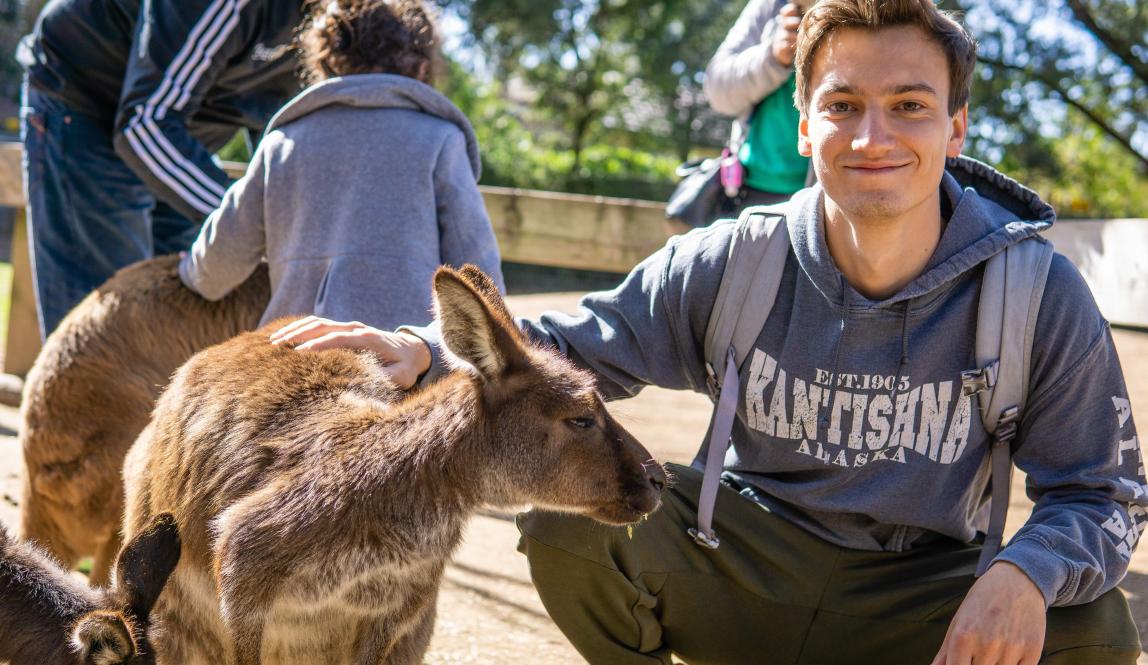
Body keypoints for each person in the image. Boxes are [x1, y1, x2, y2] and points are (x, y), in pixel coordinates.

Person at [270, 0, 1145, 662]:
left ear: (956, 127)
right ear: (802, 125)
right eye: (843, 104)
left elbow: (1103, 493)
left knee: (1094, 626)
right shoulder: (737, 258)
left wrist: (1025, 571)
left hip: (914, 597)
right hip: (744, 563)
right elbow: (577, 345)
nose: (873, 135)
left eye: (910, 105)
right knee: (571, 519)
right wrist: (424, 348)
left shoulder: (1034, 290)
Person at [178, 0, 503, 330]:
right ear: (422, 66)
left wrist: (191, 270)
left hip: (294, 352)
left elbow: (219, 265)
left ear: (327, 63)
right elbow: (480, 275)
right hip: (401, 360)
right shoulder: (440, 140)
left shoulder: (284, 143)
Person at [17, 0, 305, 339]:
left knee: (186, 308)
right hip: (89, 99)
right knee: (107, 332)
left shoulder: (351, 18)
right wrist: (244, 219)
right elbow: (144, 125)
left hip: (188, 128)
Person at [704, 0, 812, 211]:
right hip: (747, 191)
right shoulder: (769, 6)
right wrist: (773, 57)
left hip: (826, 202)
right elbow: (717, 90)